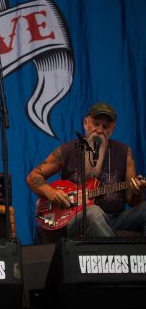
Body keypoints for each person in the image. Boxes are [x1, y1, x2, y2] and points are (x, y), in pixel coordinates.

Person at [27, 102, 146, 239]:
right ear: (85, 123)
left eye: (106, 127)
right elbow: (33, 176)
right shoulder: (67, 150)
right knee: (93, 212)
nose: (100, 130)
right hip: (78, 218)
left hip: (115, 219)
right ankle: (113, 257)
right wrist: (51, 192)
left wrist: (136, 191)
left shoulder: (125, 152)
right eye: (96, 124)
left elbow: (132, 201)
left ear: (113, 128)